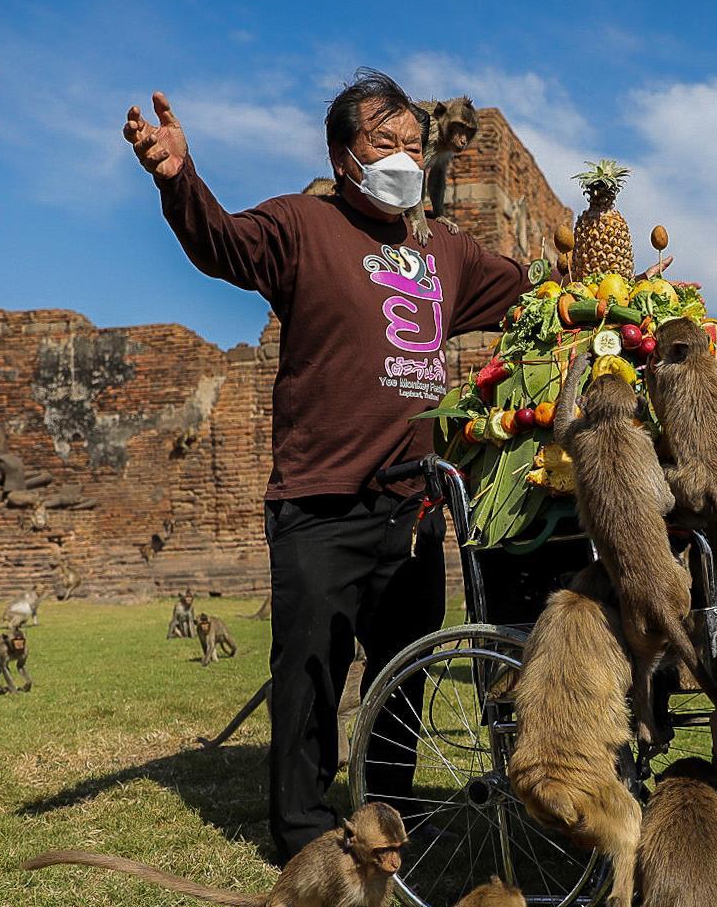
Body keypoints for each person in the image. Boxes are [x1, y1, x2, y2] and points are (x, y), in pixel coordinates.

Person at [123, 71, 531, 862]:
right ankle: (305, 838)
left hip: (413, 510)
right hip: (320, 501)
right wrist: (180, 182)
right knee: (310, 674)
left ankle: (387, 825)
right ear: (345, 156)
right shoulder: (303, 225)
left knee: (401, 677)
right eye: (386, 145)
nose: (405, 160)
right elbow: (224, 245)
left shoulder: (444, 249)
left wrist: (594, 276)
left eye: (414, 146)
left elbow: (524, 294)